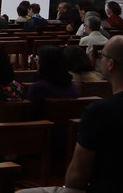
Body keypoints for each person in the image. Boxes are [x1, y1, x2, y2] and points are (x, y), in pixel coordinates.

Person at [25, 36, 123, 193]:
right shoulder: (75, 90)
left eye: (102, 56)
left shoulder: (99, 112)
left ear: (111, 64)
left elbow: (76, 178)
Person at [24, 45, 78, 118]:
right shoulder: (73, 86)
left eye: (37, 60)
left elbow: (29, 115)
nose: (37, 62)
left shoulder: (37, 88)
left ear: (43, 63)